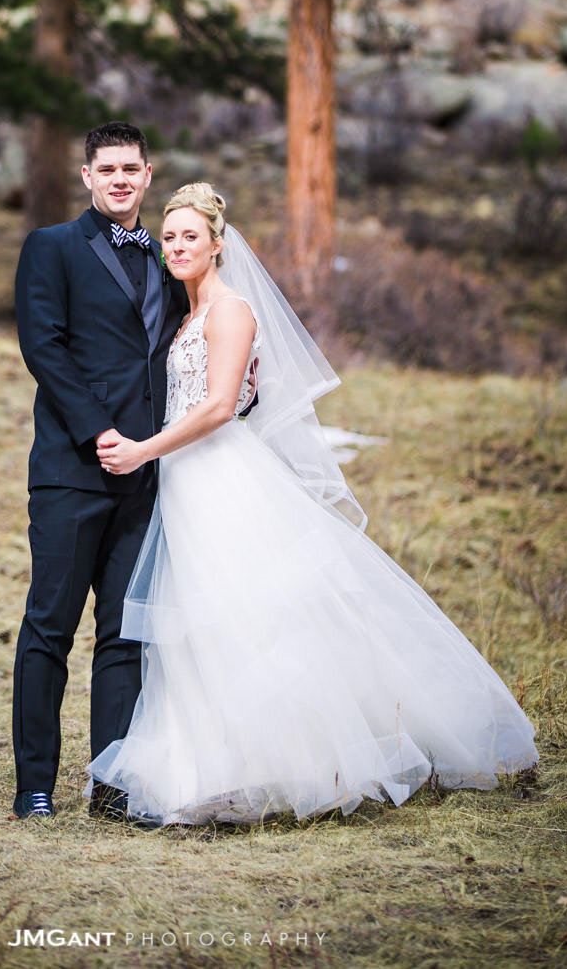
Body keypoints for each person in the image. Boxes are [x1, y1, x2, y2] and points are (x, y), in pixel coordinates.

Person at [89, 183, 539, 825]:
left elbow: (218, 408)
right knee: (199, 625)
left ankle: (297, 761)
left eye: (192, 235)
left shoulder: (231, 310)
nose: (179, 246)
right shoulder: (188, 314)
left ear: (218, 244)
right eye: (170, 237)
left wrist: (142, 451)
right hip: (186, 485)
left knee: (247, 617)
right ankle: (211, 767)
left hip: (223, 479)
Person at [11, 122, 187, 820]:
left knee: (124, 635)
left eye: (131, 168)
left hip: (146, 477)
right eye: (106, 168)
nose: (119, 179)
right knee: (49, 627)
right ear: (87, 177)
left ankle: (112, 787)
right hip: (72, 469)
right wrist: (100, 431)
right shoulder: (51, 247)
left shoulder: (169, 259)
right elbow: (43, 347)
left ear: (149, 176)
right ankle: (34, 788)